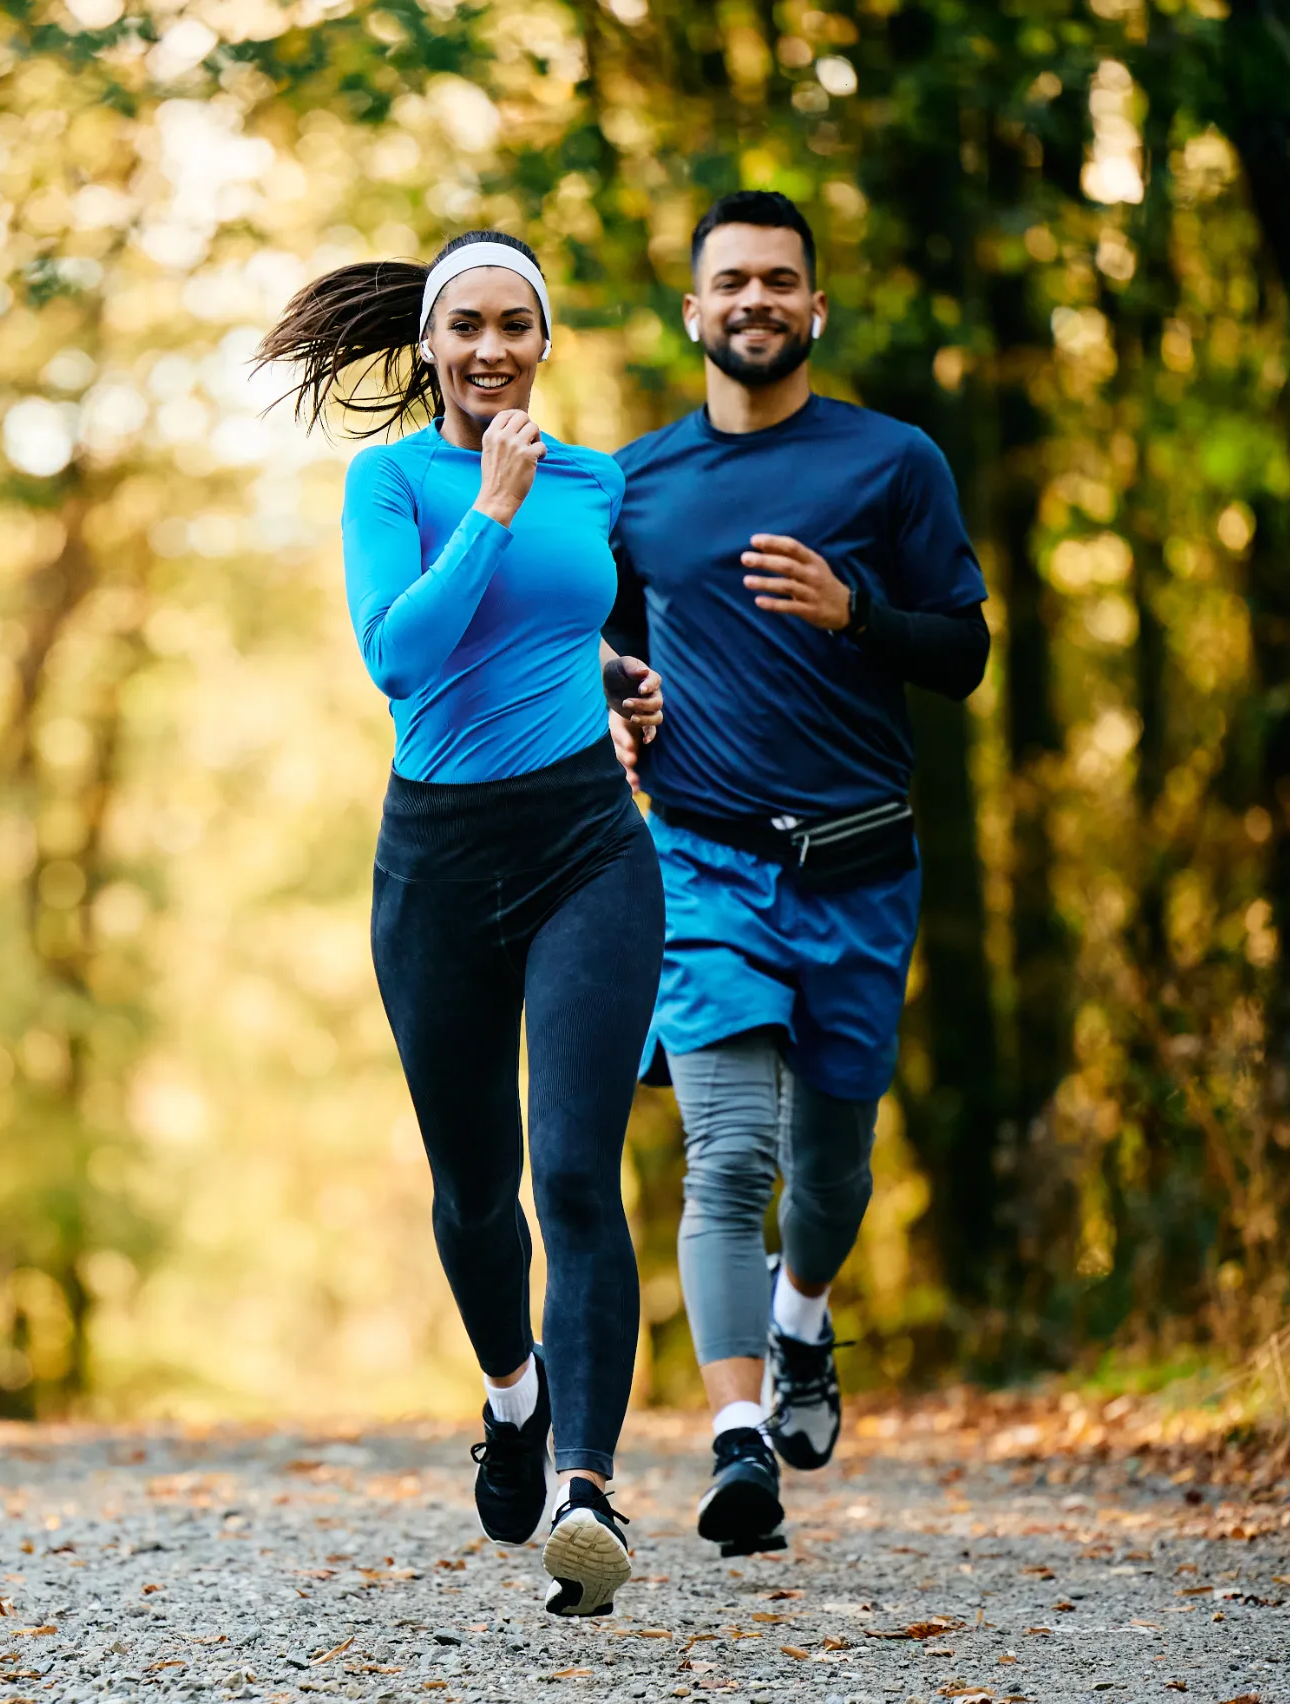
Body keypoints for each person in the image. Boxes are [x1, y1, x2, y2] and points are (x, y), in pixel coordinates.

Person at [257, 231, 668, 1617]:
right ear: (429, 349)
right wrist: (489, 509)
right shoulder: (393, 482)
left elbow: (569, 620)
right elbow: (401, 655)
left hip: (585, 848)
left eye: (516, 325)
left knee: (574, 1174)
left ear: (546, 341)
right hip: (434, 862)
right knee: (476, 1190)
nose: (493, 347)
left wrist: (624, 676)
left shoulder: (600, 479)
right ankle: (511, 1396)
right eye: (466, 327)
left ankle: (586, 1488)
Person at [607, 191, 992, 1555]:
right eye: (732, 283)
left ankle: (803, 1319)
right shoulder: (638, 486)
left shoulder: (892, 465)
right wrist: (622, 691)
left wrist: (859, 614)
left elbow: (964, 650)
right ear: (694, 312)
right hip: (702, 862)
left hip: (860, 868)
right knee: (727, 1157)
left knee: (828, 1175)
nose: (755, 301)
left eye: (780, 281)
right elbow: (600, 643)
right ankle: (736, 1444)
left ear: (813, 309)